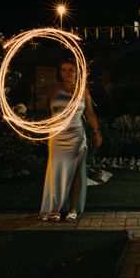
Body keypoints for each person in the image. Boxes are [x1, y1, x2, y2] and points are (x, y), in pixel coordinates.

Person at [39, 58, 102, 222]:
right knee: (56, 172)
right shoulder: (54, 89)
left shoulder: (82, 91)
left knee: (75, 173)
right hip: (57, 136)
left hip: (76, 136)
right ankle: (54, 208)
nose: (67, 73)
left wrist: (96, 132)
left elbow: (89, 114)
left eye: (70, 70)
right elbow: (46, 110)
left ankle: (72, 209)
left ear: (76, 72)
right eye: (64, 70)